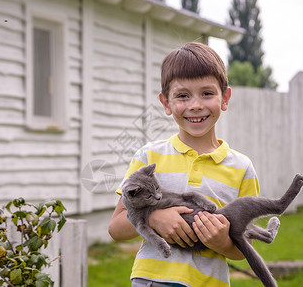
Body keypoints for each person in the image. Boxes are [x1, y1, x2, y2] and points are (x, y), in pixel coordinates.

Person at [108, 42, 260, 287]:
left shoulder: (242, 168)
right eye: (182, 95)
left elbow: (244, 249)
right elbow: (116, 228)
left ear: (225, 98)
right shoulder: (148, 157)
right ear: (166, 103)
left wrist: (221, 241)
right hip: (151, 281)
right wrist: (154, 218)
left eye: (207, 93)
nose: (195, 105)